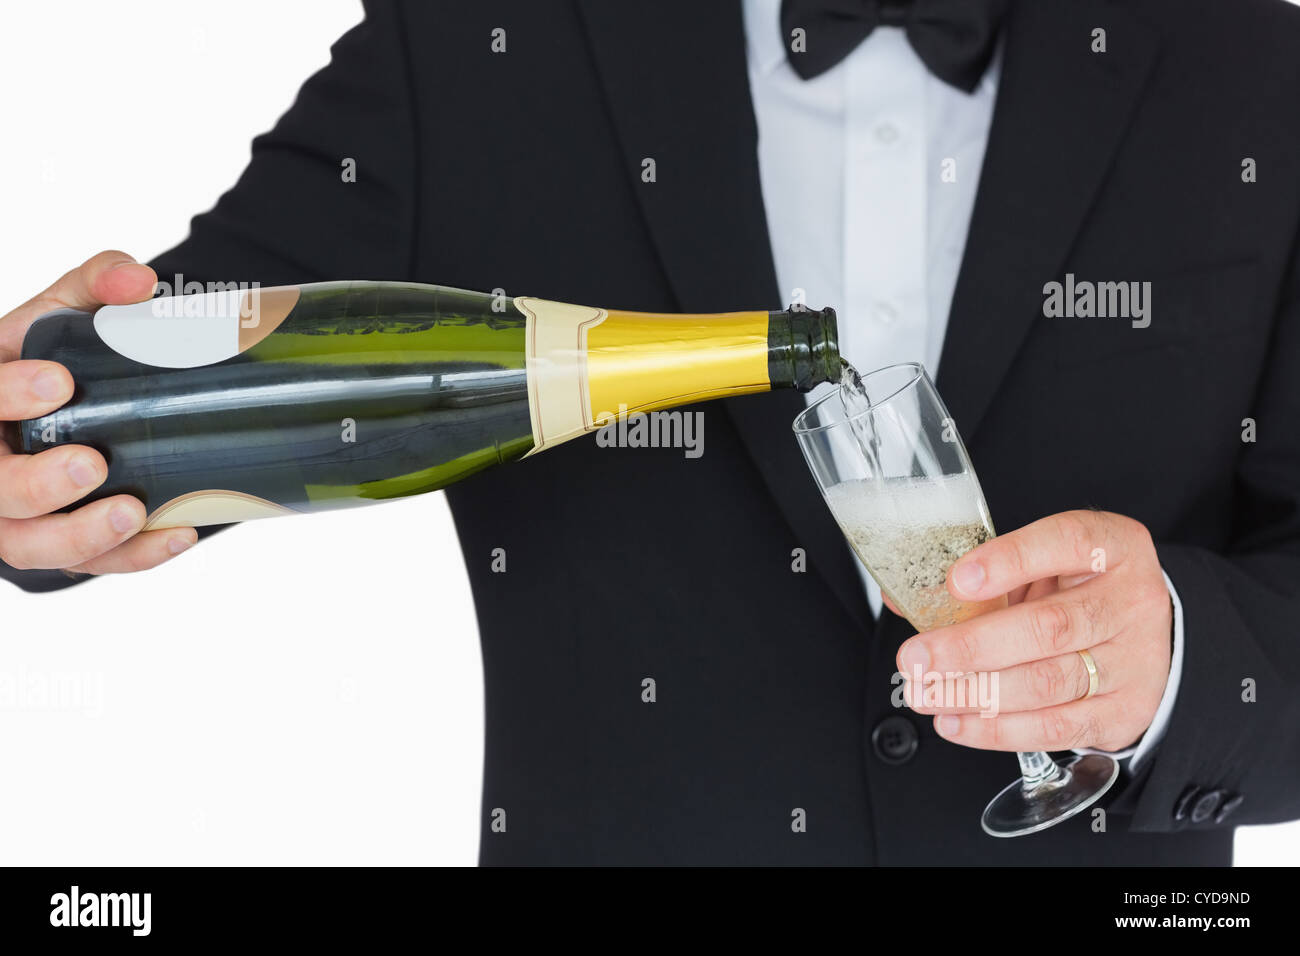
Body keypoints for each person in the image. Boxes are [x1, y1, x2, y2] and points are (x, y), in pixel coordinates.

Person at [3, 0, 1299, 865]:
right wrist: (36, 446)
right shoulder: (472, 41)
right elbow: (178, 392)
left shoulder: (1256, 65)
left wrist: (1183, 664)